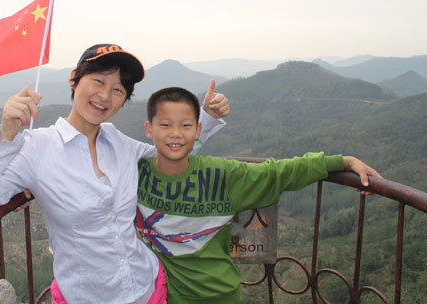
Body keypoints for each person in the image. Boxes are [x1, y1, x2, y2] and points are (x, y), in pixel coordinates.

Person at [0, 44, 231, 304]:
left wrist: (206, 118)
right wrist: (5, 135)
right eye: (98, 81)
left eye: (118, 90)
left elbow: (171, 158)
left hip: (149, 288)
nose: (105, 96)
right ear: (74, 79)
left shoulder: (119, 142)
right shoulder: (36, 148)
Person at [135, 87, 383, 304]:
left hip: (218, 294)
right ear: (149, 129)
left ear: (198, 130)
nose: (176, 133)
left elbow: (278, 172)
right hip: (161, 294)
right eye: (165, 125)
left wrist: (343, 161)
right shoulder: (134, 173)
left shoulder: (222, 176)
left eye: (186, 125)